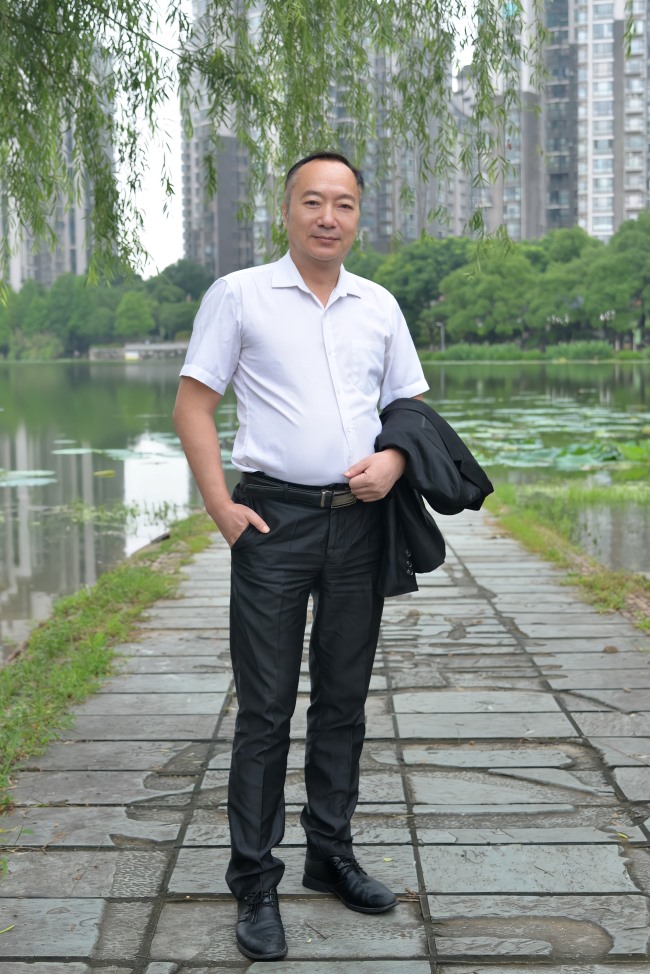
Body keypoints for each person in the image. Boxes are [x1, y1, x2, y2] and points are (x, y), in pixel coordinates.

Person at [173, 150, 428, 962]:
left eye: (344, 204)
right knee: (265, 709)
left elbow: (409, 404)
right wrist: (221, 508)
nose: (328, 217)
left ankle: (330, 854)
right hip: (272, 523)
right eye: (313, 201)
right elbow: (194, 403)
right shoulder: (240, 294)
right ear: (286, 211)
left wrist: (394, 460)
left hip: (360, 523)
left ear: (358, 217)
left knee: (344, 702)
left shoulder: (378, 305)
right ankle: (255, 880)